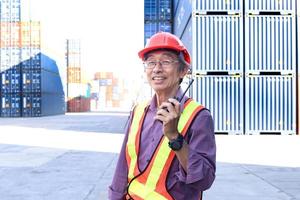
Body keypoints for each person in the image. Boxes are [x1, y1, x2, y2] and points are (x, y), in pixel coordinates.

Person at [108, 32, 216, 200]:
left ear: (183, 71)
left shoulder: (199, 117)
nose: (157, 68)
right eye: (151, 62)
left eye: (166, 61)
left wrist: (175, 138)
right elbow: (123, 166)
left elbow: (205, 180)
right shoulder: (138, 111)